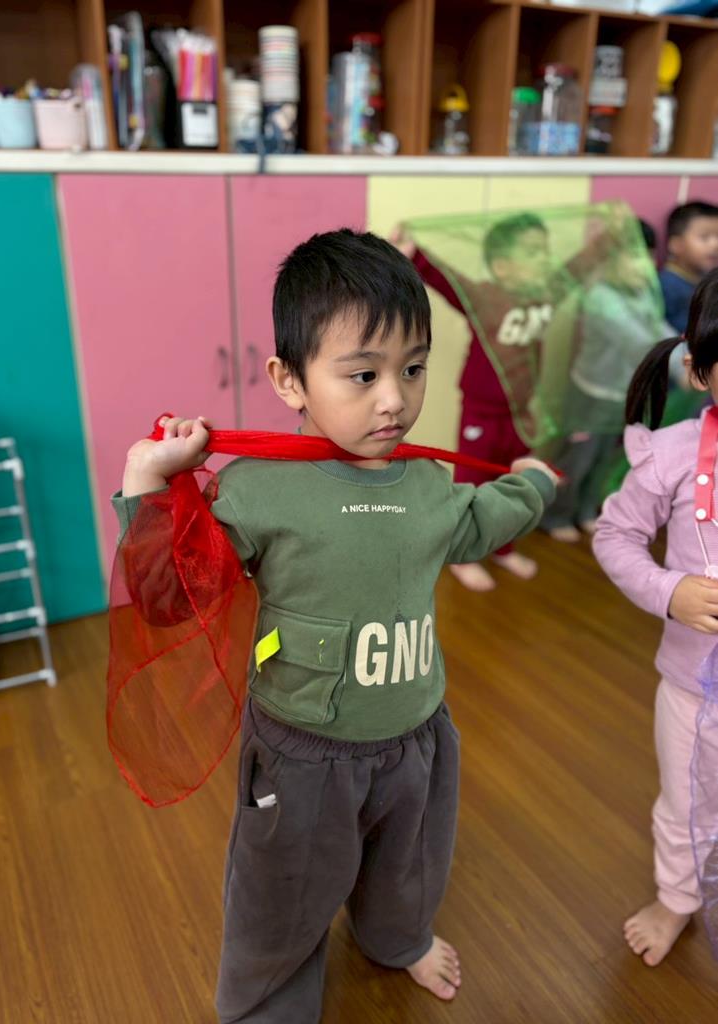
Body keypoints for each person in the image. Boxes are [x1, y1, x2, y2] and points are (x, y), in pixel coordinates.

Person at [114, 229, 557, 1023]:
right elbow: (169, 596)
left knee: (409, 863)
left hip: (417, 731)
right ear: (289, 380)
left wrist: (531, 485)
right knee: (281, 893)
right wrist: (145, 484)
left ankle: (398, 937)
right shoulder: (257, 488)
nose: (393, 399)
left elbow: (471, 522)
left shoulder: (423, 476)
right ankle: (265, 1004)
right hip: (302, 750)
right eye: (363, 374)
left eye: (412, 369)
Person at [593, 267, 718, 967]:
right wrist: (670, 591)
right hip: (694, 687)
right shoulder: (670, 453)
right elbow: (614, 536)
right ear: (699, 373)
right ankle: (677, 898)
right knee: (688, 802)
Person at [393, 212, 606, 591]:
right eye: (533, 252)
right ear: (503, 266)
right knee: (473, 484)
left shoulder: (546, 293)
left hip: (520, 413)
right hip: (481, 413)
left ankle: (504, 548)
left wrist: (600, 242)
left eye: (545, 251)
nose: (545, 259)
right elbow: (450, 283)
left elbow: (573, 271)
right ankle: (465, 556)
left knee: (514, 482)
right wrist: (415, 254)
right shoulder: (486, 298)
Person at [542, 237, 667, 542]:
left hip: (622, 395)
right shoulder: (600, 296)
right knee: (577, 459)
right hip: (590, 395)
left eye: (648, 257)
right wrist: (680, 360)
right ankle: (556, 515)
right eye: (634, 256)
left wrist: (686, 351)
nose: (643, 266)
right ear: (611, 261)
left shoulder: (643, 293)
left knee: (603, 460)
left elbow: (658, 327)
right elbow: (634, 340)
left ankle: (586, 510)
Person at [660, 201, 718, 336]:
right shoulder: (664, 286)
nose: (715, 245)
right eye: (704, 237)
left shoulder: (709, 284)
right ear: (675, 244)